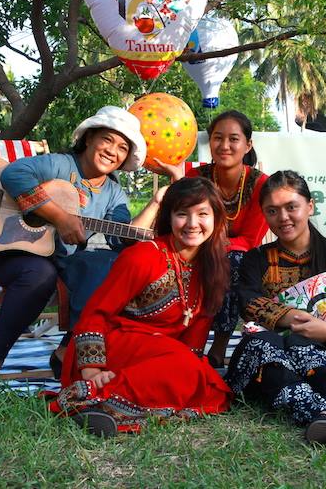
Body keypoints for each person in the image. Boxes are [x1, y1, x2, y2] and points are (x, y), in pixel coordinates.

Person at [0, 106, 160, 388]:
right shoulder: (60, 165)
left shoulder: (114, 193)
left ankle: (69, 349)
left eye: (123, 147)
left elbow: (121, 238)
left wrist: (156, 203)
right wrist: (60, 217)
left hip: (56, 262)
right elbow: (14, 175)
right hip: (0, 256)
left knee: (112, 264)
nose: (113, 151)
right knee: (40, 273)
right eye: (107, 140)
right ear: (89, 138)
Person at [49, 177, 233, 437]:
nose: (193, 224)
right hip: (112, 347)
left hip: (163, 356)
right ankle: (90, 397)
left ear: (216, 219)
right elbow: (95, 314)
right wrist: (92, 368)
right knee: (189, 371)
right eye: (182, 214)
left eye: (202, 214)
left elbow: (196, 333)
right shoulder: (143, 256)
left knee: (208, 385)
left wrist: (189, 367)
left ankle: (108, 406)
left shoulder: (213, 267)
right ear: (169, 218)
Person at [225, 170, 326, 446]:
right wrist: (290, 317)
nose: (283, 218)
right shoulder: (256, 259)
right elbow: (248, 303)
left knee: (303, 346)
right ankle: (320, 414)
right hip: (263, 361)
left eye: (291, 207)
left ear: (309, 206)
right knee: (264, 343)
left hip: (316, 357)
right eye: (272, 211)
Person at [161, 110, 269, 367]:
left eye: (234, 139)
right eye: (218, 138)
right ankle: (174, 341)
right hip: (194, 250)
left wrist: (215, 247)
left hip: (236, 257)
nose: (225, 146)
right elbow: (178, 224)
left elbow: (250, 239)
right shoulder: (195, 177)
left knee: (232, 260)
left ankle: (218, 346)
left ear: (247, 145)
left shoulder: (260, 184)